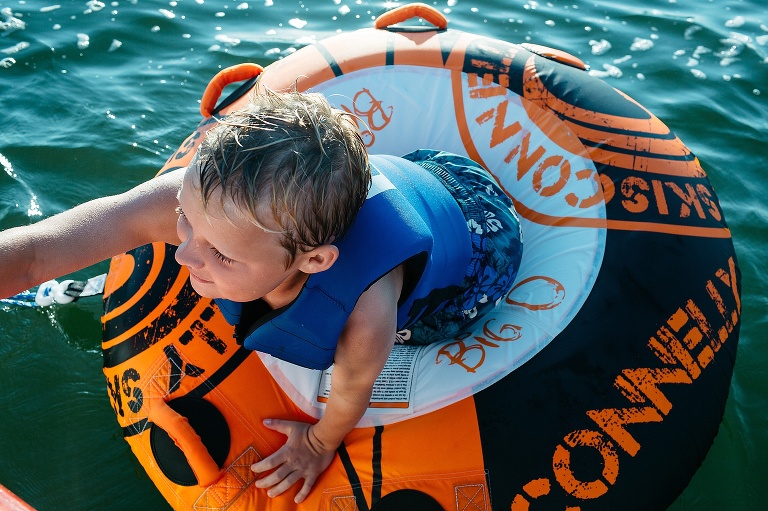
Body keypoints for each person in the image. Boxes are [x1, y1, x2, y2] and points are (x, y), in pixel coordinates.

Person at [0, 88, 523, 503]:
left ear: (313, 262)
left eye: (222, 256)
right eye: (185, 220)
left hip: (480, 247)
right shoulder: (209, 202)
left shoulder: (365, 310)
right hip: (420, 176)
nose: (183, 255)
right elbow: (39, 254)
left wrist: (318, 444)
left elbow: (352, 389)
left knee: (435, 320)